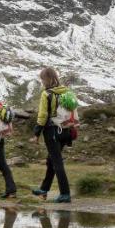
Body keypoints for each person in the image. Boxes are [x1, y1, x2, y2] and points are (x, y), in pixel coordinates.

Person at [31, 67, 72, 203]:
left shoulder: (47, 94)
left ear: (47, 79)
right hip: (65, 131)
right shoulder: (66, 91)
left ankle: (65, 193)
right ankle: (44, 188)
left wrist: (36, 133)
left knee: (56, 162)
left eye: (43, 79)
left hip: (52, 131)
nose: (42, 82)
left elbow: (42, 115)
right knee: (51, 160)